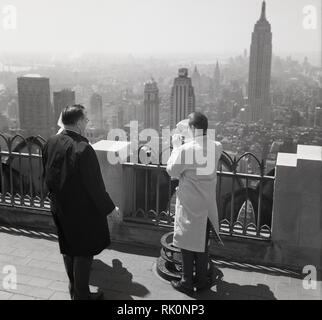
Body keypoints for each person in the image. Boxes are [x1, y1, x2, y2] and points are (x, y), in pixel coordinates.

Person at [42, 105, 116, 300]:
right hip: (81, 211)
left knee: (68, 248)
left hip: (59, 206)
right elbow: (95, 186)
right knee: (83, 251)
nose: (88, 122)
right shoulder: (83, 149)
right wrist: (111, 209)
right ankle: (82, 296)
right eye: (86, 119)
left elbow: (47, 174)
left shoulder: (50, 142)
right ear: (79, 122)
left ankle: (74, 289)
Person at [166, 112, 223, 294]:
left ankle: (187, 280)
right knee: (202, 242)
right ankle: (201, 279)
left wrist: (176, 146)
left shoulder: (185, 150)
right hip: (207, 204)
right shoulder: (217, 146)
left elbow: (172, 171)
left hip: (190, 203)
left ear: (191, 129)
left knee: (186, 242)